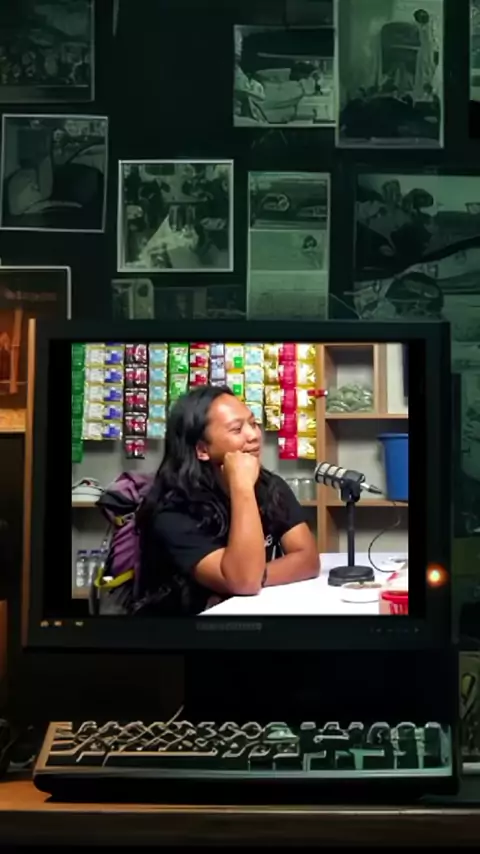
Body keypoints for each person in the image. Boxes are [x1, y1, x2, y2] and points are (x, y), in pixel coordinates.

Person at [135, 385, 319, 616]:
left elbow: (308, 559)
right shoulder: (173, 510)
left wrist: (256, 574)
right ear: (202, 449)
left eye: (253, 423)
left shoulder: (268, 485)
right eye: (237, 429)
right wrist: (242, 488)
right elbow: (244, 581)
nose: (254, 435)